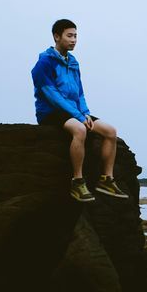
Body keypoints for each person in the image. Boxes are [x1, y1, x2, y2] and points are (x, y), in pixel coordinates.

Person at [31, 19, 129, 202]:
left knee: (110, 131)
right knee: (80, 129)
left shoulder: (73, 62)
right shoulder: (44, 63)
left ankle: (106, 180)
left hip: (75, 111)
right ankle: (77, 181)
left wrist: (84, 112)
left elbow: (80, 92)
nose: (74, 40)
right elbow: (51, 95)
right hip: (50, 112)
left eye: (75, 36)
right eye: (69, 36)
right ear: (56, 36)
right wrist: (77, 116)